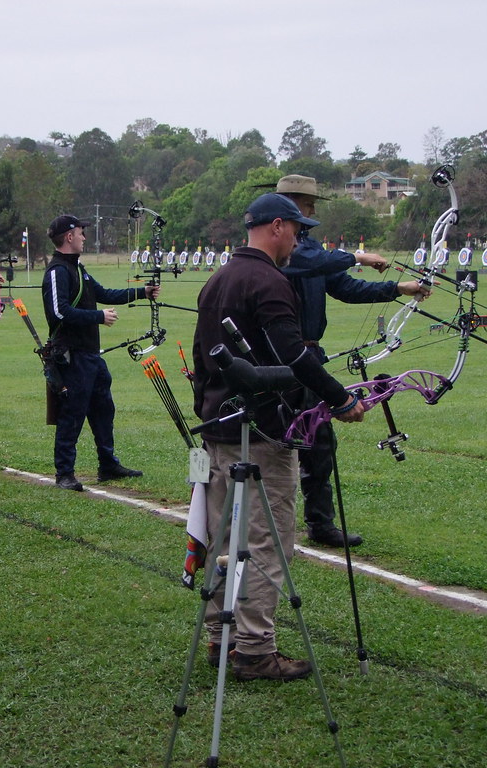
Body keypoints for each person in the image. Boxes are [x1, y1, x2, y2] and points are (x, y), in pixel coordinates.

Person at [192, 193, 365, 681]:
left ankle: (220, 638)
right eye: (297, 229)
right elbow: (296, 356)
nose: (299, 238)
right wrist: (340, 399)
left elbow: (203, 361)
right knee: (268, 541)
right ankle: (252, 650)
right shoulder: (269, 281)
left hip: (218, 431)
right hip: (261, 434)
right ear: (276, 227)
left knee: (223, 536)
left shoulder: (219, 278)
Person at [276, 174, 431, 547]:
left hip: (309, 356)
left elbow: (345, 287)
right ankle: (267, 523)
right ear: (293, 206)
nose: (313, 212)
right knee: (276, 441)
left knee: (319, 440)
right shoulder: (287, 251)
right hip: (280, 358)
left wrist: (398, 288)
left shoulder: (310, 249)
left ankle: (319, 523)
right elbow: (309, 262)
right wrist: (358, 256)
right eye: (309, 205)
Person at [41, 214, 158, 492]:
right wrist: (98, 317)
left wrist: (142, 292)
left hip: (91, 356)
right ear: (69, 236)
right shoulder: (57, 271)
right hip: (72, 356)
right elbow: (59, 312)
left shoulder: (78, 269)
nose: (84, 237)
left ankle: (108, 464)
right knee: (73, 413)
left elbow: (103, 293)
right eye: (81, 233)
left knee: (104, 409)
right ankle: (65, 473)